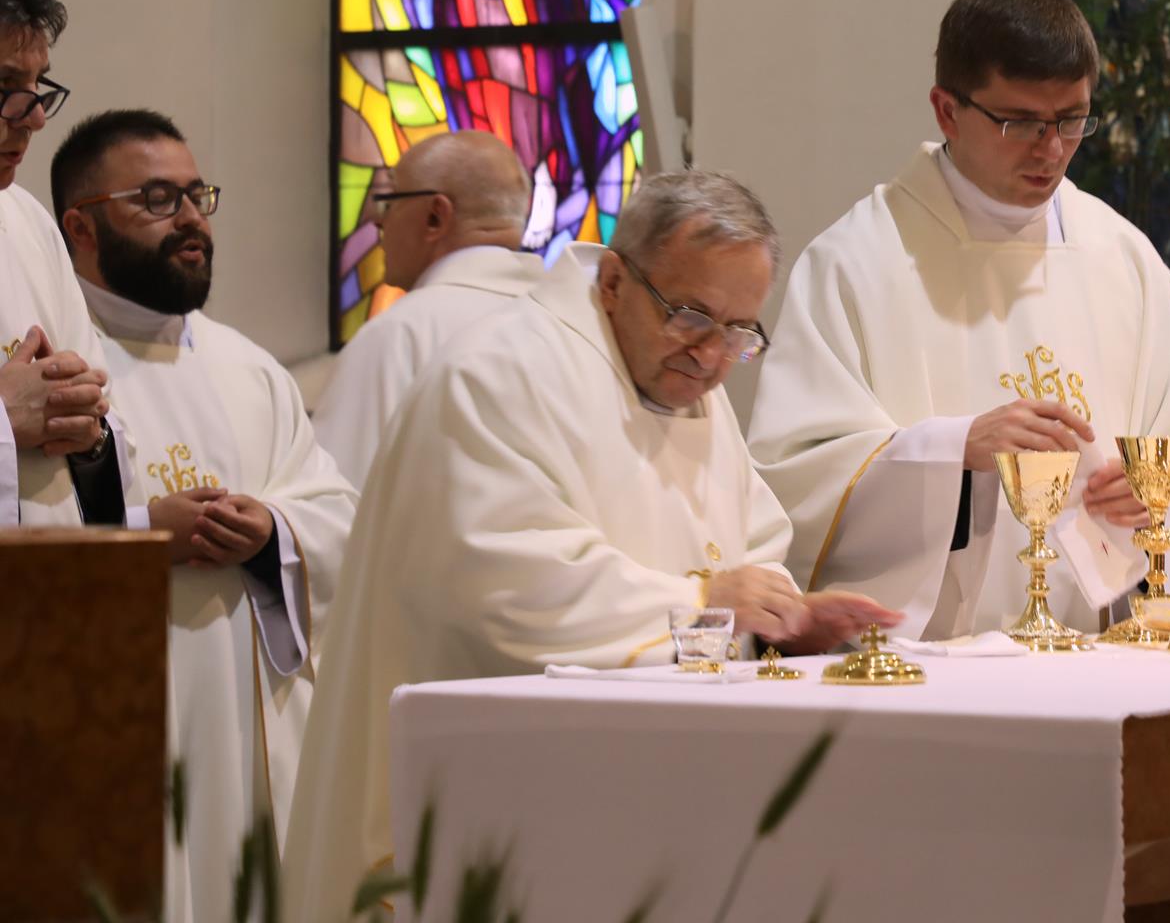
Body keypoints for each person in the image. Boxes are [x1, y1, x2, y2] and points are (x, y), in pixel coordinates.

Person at [282, 171, 901, 918]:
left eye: (740, 333)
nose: (712, 357)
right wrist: (703, 606)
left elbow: (750, 543)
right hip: (492, 804)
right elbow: (502, 585)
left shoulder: (687, 390)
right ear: (613, 281)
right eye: (692, 317)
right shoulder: (501, 374)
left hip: (640, 801)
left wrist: (783, 622)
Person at [749, 0, 1170, 640]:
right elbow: (797, 471)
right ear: (946, 111)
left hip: (1095, 651)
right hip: (929, 663)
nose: (1052, 150)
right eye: (1021, 123)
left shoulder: (1118, 255)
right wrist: (952, 451)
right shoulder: (855, 263)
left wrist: (1162, 491)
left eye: (1072, 120)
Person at [51, 110, 358, 923]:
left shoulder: (250, 369)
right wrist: (142, 535)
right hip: (116, 727)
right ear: (80, 228)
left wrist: (273, 532)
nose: (191, 219)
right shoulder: (53, 373)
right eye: (157, 199)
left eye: (197, 195)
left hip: (251, 739)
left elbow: (336, 516)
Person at [312, 129, 545, 486]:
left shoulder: (399, 336)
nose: (377, 220)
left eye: (389, 201)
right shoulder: (565, 321)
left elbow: (337, 498)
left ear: (436, 216)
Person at [0, 0, 141, 528]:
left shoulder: (28, 223)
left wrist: (89, 431)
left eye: (37, 86)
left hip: (50, 576)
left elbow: (103, 423)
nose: (34, 117)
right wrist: (4, 420)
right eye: (6, 85)